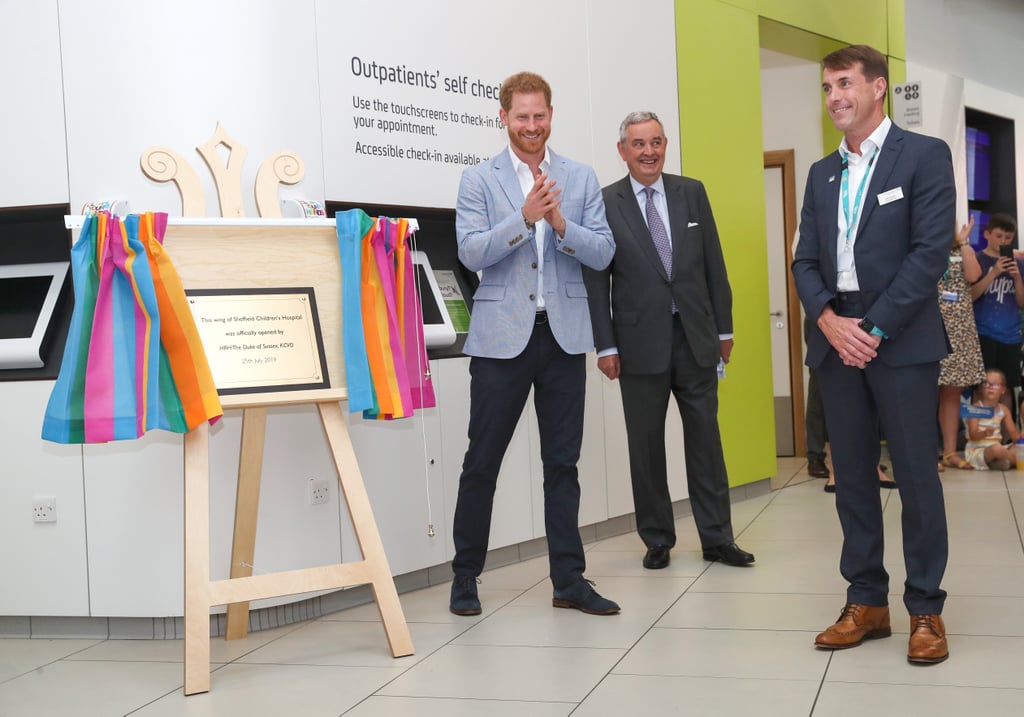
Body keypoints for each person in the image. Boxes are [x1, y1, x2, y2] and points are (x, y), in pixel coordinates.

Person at [791, 45, 955, 664]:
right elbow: (805, 260)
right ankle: (867, 601)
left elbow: (928, 253)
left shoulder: (923, 156)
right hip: (837, 342)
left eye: (844, 84)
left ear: (878, 88)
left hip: (902, 339)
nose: (834, 96)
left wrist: (875, 327)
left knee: (916, 478)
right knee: (852, 478)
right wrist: (832, 322)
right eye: (827, 87)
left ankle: (926, 611)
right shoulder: (820, 173)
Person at [449, 71, 618, 617]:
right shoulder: (478, 180)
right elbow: (472, 254)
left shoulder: (581, 176)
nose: (530, 126)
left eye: (539, 115)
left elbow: (603, 253)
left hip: (564, 338)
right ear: (503, 117)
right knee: (483, 462)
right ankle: (465, 576)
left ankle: (569, 580)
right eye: (520, 116)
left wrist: (561, 222)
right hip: (501, 341)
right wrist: (524, 218)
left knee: (562, 465)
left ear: (551, 114)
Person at [584, 111, 754, 571]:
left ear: (665, 145)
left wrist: (725, 329)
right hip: (637, 345)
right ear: (623, 150)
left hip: (696, 339)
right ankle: (657, 538)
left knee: (706, 442)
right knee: (645, 445)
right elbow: (597, 281)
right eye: (638, 143)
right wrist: (606, 345)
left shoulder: (691, 192)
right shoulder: (605, 202)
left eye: (656, 141)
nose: (649, 151)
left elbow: (713, 264)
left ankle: (717, 537)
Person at [937, 217, 985, 469]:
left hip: (959, 329)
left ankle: (949, 452)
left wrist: (964, 241)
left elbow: (974, 274)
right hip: (930, 326)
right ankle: (924, 453)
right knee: (923, 392)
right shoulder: (923, 246)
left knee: (952, 392)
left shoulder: (961, 249)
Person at [970, 213, 1022, 420]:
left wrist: (1017, 278)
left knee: (1006, 386)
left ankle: (1005, 437)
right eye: (999, 236)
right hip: (983, 333)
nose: (1003, 242)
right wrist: (993, 272)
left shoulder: (1017, 263)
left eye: (1008, 238)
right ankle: (978, 434)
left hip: (1010, 335)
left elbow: (1021, 303)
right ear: (987, 234)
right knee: (981, 386)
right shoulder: (976, 259)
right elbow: (971, 296)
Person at [964, 369, 1019, 470]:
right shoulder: (975, 408)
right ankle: (1014, 462)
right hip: (978, 450)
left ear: (1003, 389)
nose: (990, 387)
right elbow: (972, 435)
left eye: (995, 385)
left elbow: (1013, 432)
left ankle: (1000, 462)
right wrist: (984, 433)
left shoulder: (1004, 409)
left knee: (1015, 449)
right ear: (981, 388)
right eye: (986, 384)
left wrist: (1020, 438)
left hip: (997, 446)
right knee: (997, 449)